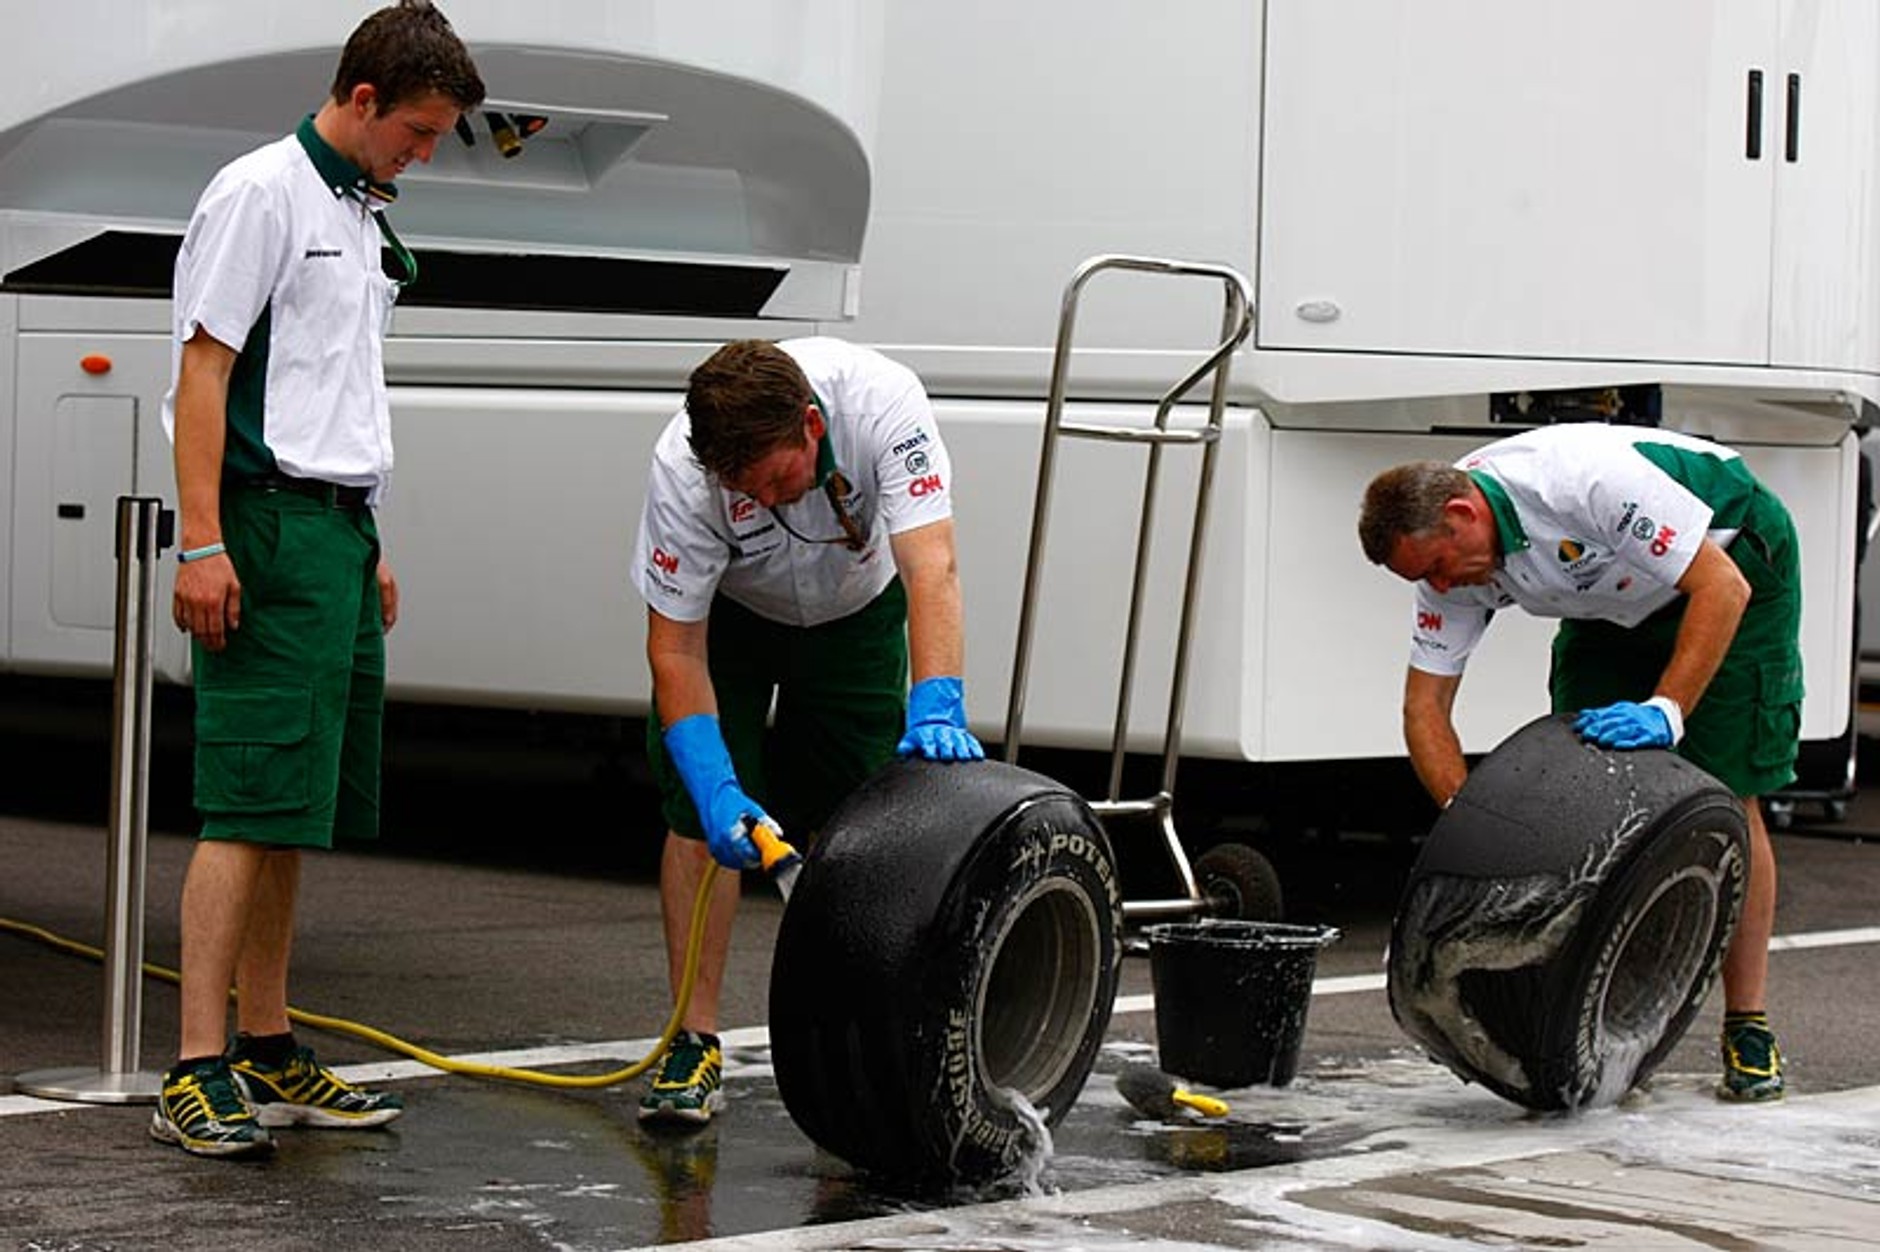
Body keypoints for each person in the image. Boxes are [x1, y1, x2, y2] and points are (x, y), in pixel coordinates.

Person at [155, 1, 484, 1157]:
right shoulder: (261, 195)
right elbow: (206, 372)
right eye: (419, 131)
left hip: (334, 528)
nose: (425, 153)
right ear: (361, 100)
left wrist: (371, 532)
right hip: (266, 524)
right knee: (246, 797)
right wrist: (204, 541)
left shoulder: (357, 206)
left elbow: (340, 382)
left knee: (296, 803)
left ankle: (267, 1040)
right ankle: (195, 1066)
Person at [1358, 422, 1801, 1103]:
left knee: (1730, 791)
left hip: (1731, 565)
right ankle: (1609, 1016)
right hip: (1611, 605)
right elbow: (1425, 710)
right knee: (1585, 793)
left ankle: (1747, 1025)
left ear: (1461, 514)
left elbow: (1724, 589)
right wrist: (1474, 818)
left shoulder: (1580, 481)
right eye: (1425, 580)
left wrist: (1667, 710)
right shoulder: (1445, 567)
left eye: (1440, 567)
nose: (1441, 586)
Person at [631, 337, 984, 1124]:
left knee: (858, 819)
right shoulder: (683, 471)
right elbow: (675, 647)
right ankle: (694, 1041)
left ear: (812, 427)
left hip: (856, 610)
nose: (763, 494)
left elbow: (933, 566)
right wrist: (718, 786)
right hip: (734, 616)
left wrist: (938, 699)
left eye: (778, 478)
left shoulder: (886, 403)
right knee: (697, 817)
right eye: (744, 488)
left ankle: (848, 1038)